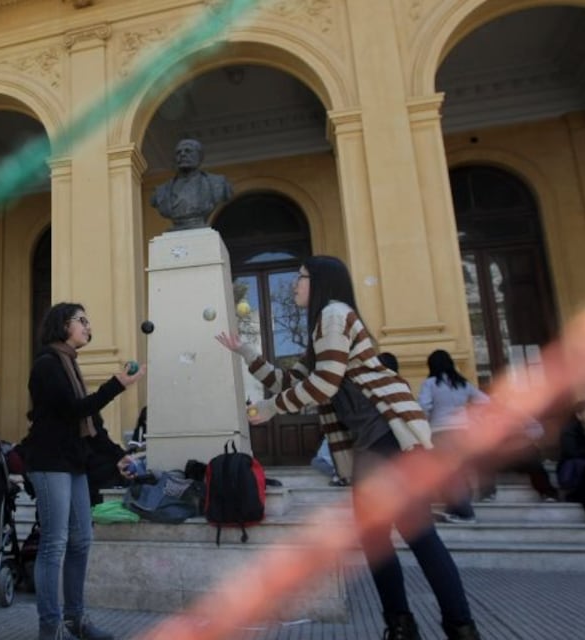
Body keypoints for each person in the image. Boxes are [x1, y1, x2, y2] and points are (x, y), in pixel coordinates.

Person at [216, 256, 480, 640]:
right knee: (389, 536)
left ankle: (441, 625)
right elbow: (288, 379)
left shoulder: (335, 315)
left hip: (386, 439)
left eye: (301, 278)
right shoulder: (323, 329)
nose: (294, 286)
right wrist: (246, 354)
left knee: (410, 534)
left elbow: (323, 384)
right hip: (376, 442)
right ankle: (420, 625)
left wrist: (272, 409)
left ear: (321, 281)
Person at [22, 302, 144, 640]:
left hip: (73, 464)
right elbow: (75, 410)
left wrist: (118, 456)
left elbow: (92, 424)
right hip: (49, 463)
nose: (88, 327)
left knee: (82, 541)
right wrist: (117, 383)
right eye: (82, 321)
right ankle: (51, 627)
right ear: (63, 325)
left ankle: (76, 619)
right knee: (54, 544)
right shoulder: (47, 365)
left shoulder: (70, 366)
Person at [418, 350, 488, 524]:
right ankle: (454, 509)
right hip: (463, 432)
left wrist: (423, 425)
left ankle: (465, 513)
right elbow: (485, 401)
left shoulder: (431, 383)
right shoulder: (463, 383)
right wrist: (470, 415)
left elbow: (424, 406)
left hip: (441, 432)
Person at [150, 139, 233, 231]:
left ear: (199, 156)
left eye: (188, 151)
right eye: (178, 152)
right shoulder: (161, 191)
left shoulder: (218, 183)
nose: (182, 154)